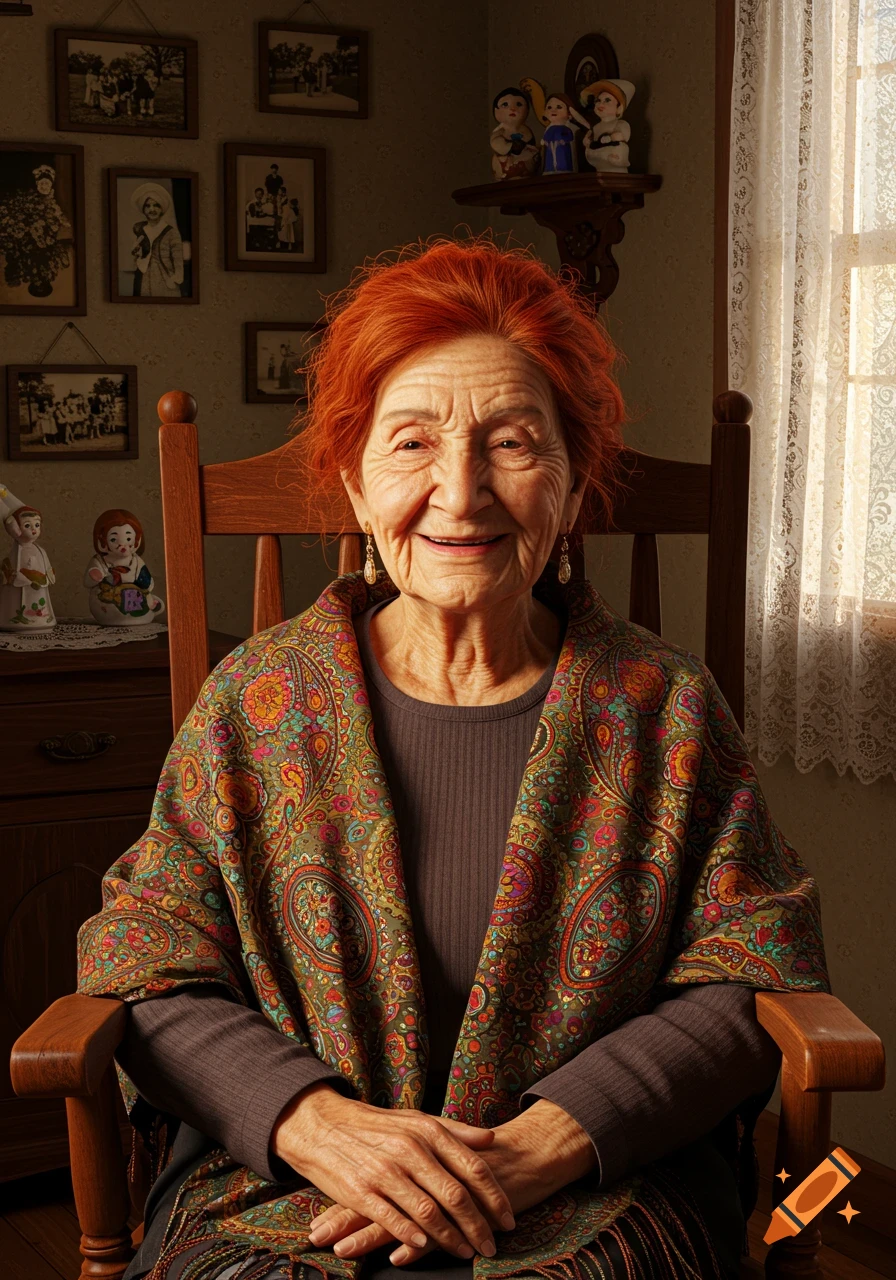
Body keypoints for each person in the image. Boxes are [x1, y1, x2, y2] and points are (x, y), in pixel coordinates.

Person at [77, 237, 829, 1280]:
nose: (460, 490)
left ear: (572, 484)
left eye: (512, 443)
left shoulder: (663, 707)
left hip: (596, 1188)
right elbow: (147, 958)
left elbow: (751, 965)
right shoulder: (257, 701)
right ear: (352, 480)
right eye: (412, 443)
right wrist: (314, 1123)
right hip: (282, 1187)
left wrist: (547, 1141)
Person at [130, 182, 184, 298]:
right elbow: (137, 255)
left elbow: (178, 259)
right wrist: (136, 253)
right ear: (143, 209)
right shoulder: (141, 230)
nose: (152, 209)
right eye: (148, 206)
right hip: (143, 276)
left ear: (161, 209)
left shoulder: (171, 232)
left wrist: (175, 278)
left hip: (164, 278)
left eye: (156, 205)